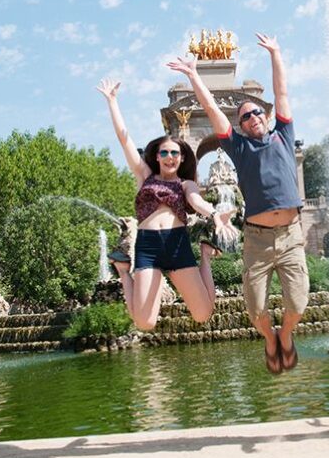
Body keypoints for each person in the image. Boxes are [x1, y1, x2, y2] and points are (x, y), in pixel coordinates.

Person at [167, 33, 307, 374]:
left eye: (257, 111)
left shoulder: (284, 135)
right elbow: (213, 111)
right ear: (240, 126)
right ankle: (269, 337)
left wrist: (275, 53)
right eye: (245, 116)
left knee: (299, 304)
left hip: (291, 235)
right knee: (256, 311)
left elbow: (282, 93)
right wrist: (193, 75)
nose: (253, 116)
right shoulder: (239, 148)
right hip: (257, 240)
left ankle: (285, 334)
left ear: (266, 116)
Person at [97, 78, 237, 330]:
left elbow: (196, 201)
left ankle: (205, 256)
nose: (169, 157)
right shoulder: (145, 176)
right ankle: (123, 269)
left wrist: (214, 214)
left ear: (181, 158)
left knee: (203, 314)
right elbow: (124, 139)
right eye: (164, 152)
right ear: (157, 156)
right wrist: (112, 101)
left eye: (174, 153)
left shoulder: (185, 184)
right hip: (148, 245)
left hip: (177, 244)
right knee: (144, 323)